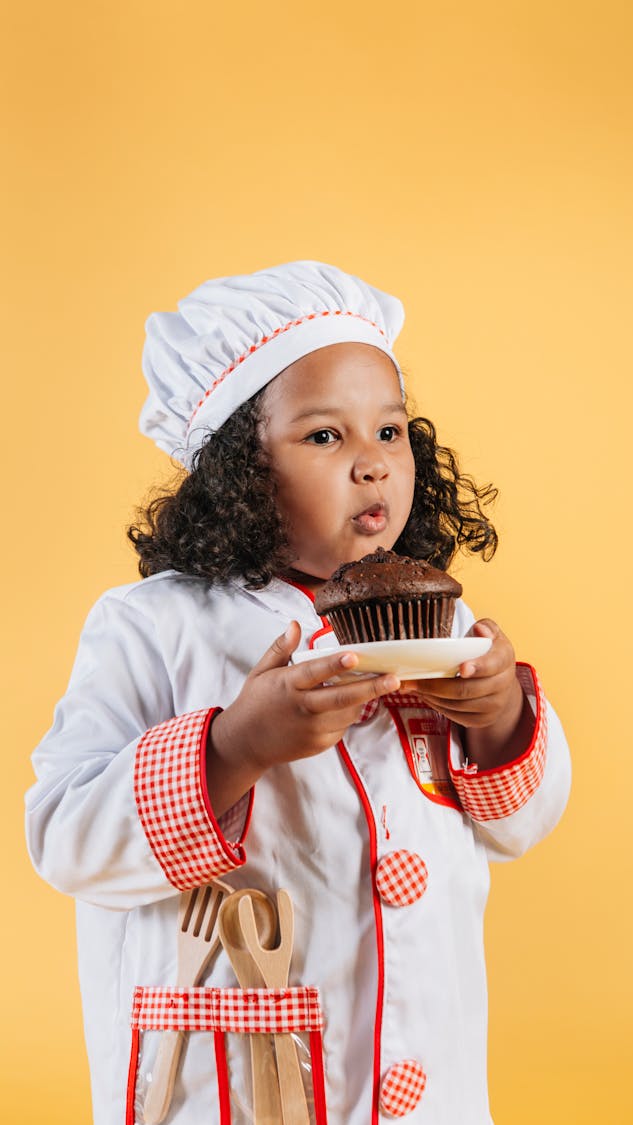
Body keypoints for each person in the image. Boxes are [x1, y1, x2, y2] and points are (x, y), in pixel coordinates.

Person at [25, 261, 572, 1125]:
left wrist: (501, 720)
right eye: (325, 437)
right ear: (241, 468)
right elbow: (61, 833)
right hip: (234, 1079)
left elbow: (521, 826)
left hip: (436, 1073)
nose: (373, 467)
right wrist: (236, 745)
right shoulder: (151, 625)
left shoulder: (439, 615)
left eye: (391, 432)